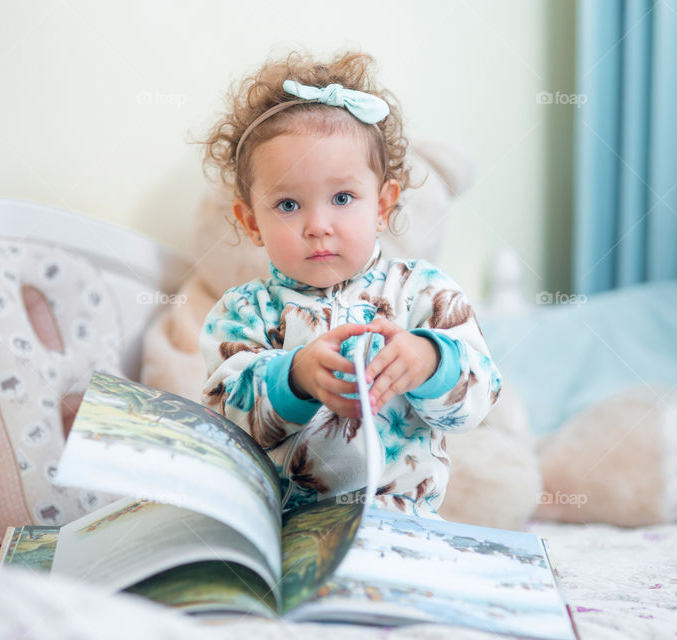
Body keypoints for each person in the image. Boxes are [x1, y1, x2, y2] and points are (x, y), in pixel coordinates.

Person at [199, 50, 502, 518]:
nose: (318, 225)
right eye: (287, 205)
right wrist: (294, 377)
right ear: (250, 221)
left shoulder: (423, 293)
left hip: (402, 521)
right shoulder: (243, 312)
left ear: (382, 206)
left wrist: (430, 360)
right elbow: (224, 418)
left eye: (342, 197)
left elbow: (479, 399)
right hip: (284, 525)